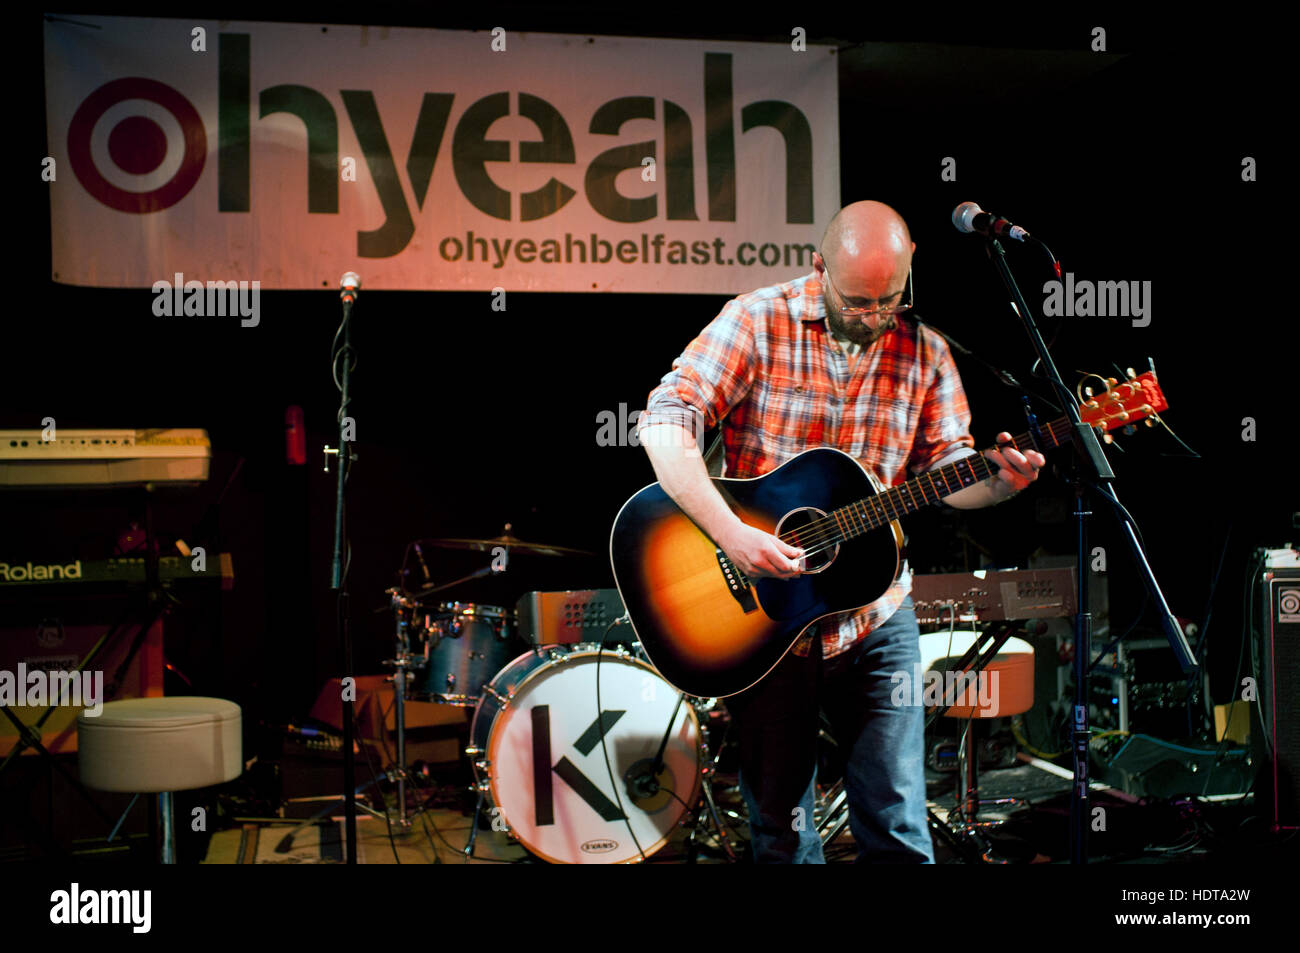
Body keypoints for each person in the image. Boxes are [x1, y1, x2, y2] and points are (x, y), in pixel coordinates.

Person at [636, 200, 1044, 863]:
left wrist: (999, 483)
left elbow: (947, 470)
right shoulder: (757, 320)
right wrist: (731, 534)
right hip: (764, 622)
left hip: (876, 617)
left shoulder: (927, 353)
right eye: (855, 299)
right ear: (819, 266)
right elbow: (663, 421)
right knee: (783, 831)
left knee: (898, 819)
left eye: (888, 299)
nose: (871, 316)